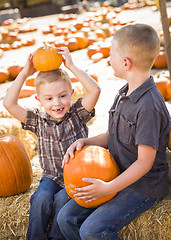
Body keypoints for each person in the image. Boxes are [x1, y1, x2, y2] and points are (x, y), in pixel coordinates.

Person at [57, 23, 170, 240]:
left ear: (126, 63)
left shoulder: (148, 107)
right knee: (65, 218)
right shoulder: (124, 92)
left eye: (111, 54)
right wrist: (85, 141)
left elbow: (144, 163)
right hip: (117, 175)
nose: (108, 59)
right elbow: (111, 136)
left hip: (142, 187)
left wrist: (108, 188)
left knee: (92, 230)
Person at [3, 47, 100, 240]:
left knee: (61, 200)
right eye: (49, 98)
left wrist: (71, 66)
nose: (57, 103)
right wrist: (24, 73)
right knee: (40, 199)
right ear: (39, 100)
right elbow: (9, 104)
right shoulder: (37, 120)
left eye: (62, 96)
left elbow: (95, 89)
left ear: (71, 93)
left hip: (76, 177)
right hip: (51, 177)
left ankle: (56, 237)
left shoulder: (77, 114)